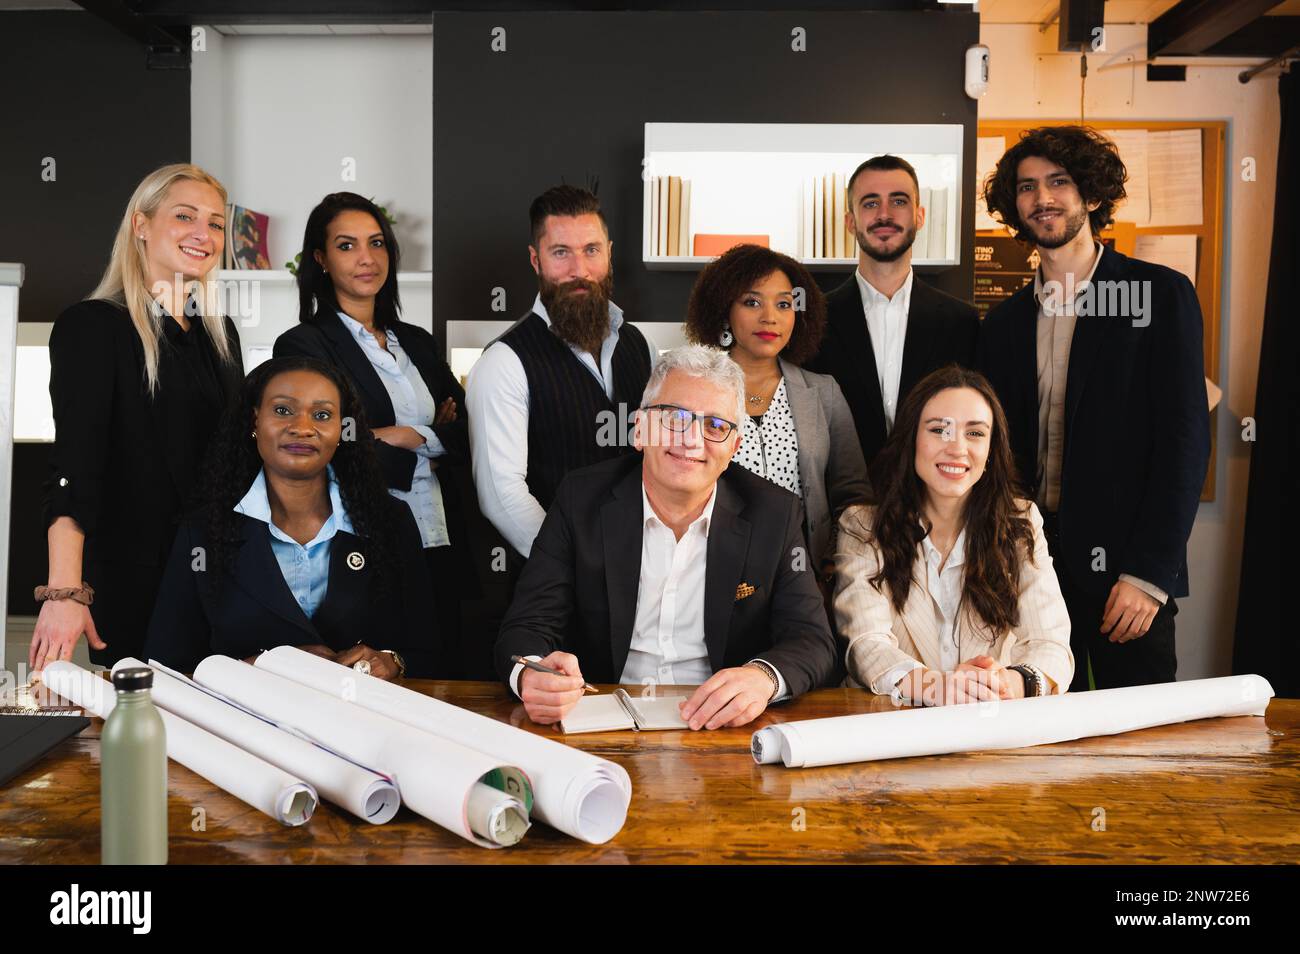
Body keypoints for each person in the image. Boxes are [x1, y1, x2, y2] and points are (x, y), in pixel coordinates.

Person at [977, 125, 1210, 690]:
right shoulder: (1003, 324)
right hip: (1028, 569)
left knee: (1137, 746)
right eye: (1028, 187)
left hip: (1126, 573)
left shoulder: (1158, 294)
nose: (1042, 198)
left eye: (1059, 182)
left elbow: (1185, 443)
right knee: (1038, 739)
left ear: (1093, 194)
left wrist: (1150, 573)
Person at [495, 345, 837, 729]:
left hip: (718, 728)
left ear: (733, 448)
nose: (692, 439)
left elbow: (812, 640)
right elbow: (527, 626)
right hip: (601, 721)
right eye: (674, 417)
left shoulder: (775, 513)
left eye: (715, 426)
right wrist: (531, 675)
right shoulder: (580, 499)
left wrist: (763, 678)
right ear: (639, 429)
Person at [30, 164, 244, 672]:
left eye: (215, 223)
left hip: (223, 575)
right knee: (151, 733)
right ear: (141, 225)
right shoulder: (92, 327)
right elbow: (74, 470)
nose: (203, 234)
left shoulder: (222, 338)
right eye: (185, 216)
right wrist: (64, 593)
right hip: (137, 579)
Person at [274, 192, 475, 677]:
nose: (367, 258)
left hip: (444, 533)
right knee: (378, 675)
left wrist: (408, 435)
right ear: (320, 259)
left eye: (377, 243)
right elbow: (328, 447)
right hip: (368, 538)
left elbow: (468, 430)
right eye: (347, 246)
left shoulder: (419, 343)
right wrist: (432, 435)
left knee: (445, 673)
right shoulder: (305, 344)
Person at [144, 357, 435, 678]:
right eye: (283, 410)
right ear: (254, 420)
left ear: (342, 429)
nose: (302, 427)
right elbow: (164, 665)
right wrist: (252, 669)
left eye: (322, 415)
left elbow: (431, 653)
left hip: (359, 722)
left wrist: (392, 661)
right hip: (242, 722)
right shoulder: (201, 531)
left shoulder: (390, 522)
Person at [834, 366, 1074, 705]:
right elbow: (866, 646)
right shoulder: (862, 527)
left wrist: (1006, 684)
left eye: (975, 433)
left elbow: (1050, 645)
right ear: (911, 439)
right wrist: (936, 686)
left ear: (992, 449)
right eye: (938, 430)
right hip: (892, 730)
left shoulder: (1021, 521)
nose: (957, 448)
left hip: (990, 725)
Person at [466, 184, 656, 560]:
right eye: (561, 253)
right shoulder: (504, 361)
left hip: (641, 566)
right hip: (559, 585)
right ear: (536, 261)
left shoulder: (641, 347)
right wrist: (574, 564)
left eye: (591, 250)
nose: (579, 270)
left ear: (609, 254)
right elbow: (501, 495)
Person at [684, 243, 870, 575]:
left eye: (784, 304)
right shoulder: (693, 391)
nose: (769, 316)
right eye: (751, 302)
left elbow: (852, 492)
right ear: (724, 309)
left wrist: (831, 561)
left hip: (804, 575)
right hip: (713, 571)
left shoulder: (823, 393)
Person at [807, 155, 979, 475]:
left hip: (933, 506)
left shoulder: (962, 322)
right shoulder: (813, 321)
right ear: (850, 221)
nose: (884, 214)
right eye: (870, 203)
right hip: (839, 506)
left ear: (920, 215)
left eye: (898, 201)